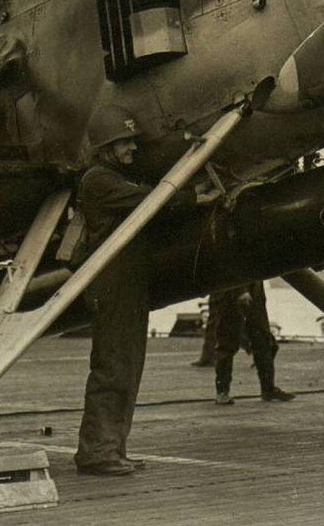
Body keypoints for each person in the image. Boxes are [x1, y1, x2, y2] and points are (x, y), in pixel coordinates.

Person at [73, 104, 216, 476]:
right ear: (106, 146)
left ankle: (112, 448)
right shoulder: (98, 180)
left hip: (127, 286)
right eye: (125, 144)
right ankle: (96, 452)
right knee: (114, 367)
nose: (133, 149)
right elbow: (150, 201)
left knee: (127, 367)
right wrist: (192, 197)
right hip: (113, 286)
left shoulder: (113, 179)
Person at [211, 281, 295, 405]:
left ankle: (268, 389)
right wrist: (240, 289)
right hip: (232, 292)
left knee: (263, 341)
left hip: (254, 291)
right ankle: (222, 392)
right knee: (227, 343)